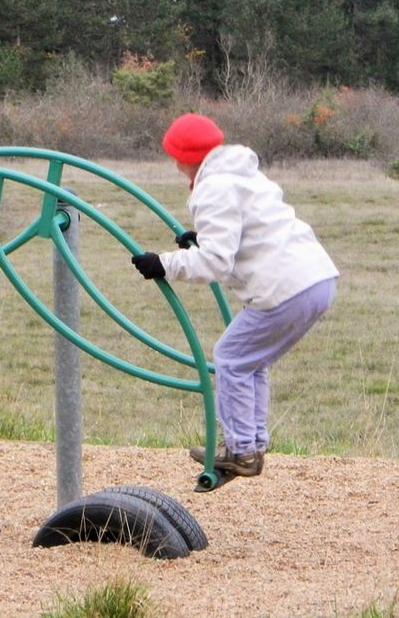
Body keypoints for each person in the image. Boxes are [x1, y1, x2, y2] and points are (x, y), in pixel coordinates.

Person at [131, 113, 338, 478]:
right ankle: (252, 444)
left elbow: (215, 263)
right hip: (315, 279)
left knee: (231, 357)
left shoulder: (213, 188)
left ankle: (241, 449)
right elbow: (244, 231)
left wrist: (163, 264)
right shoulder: (240, 174)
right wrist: (199, 239)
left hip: (285, 287)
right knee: (250, 360)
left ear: (182, 157)